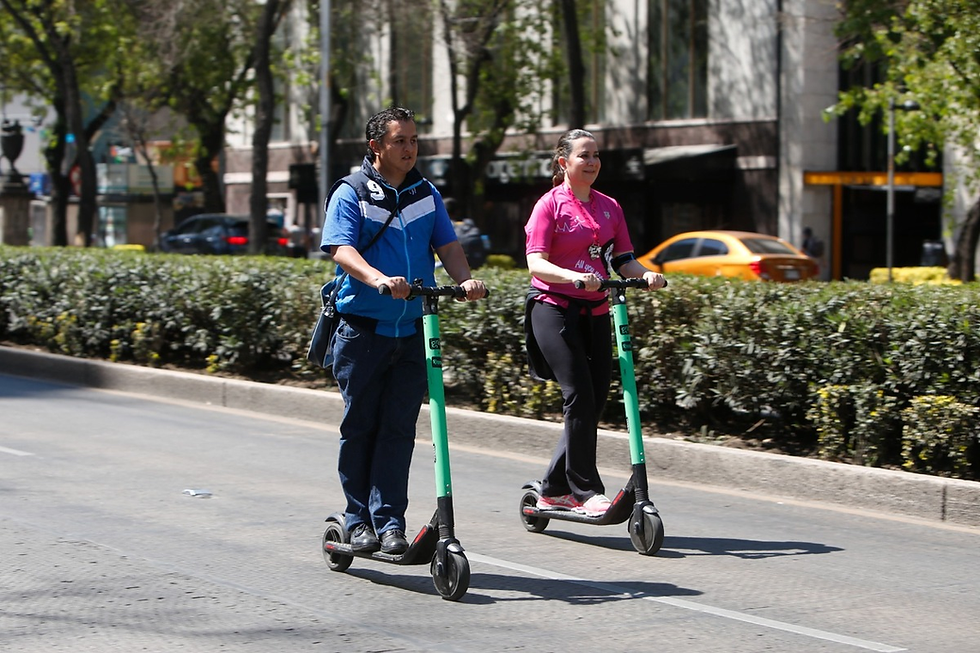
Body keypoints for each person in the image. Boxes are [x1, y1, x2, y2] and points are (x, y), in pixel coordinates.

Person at [320, 107, 486, 555]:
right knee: (362, 427)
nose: (410, 148)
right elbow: (340, 248)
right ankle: (358, 521)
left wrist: (463, 279)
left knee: (398, 429)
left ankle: (390, 521)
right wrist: (376, 278)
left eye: (414, 140)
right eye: (400, 141)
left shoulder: (424, 193)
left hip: (412, 328)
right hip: (362, 330)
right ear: (376, 147)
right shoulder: (351, 193)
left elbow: (447, 243)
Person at [524, 128, 666, 517]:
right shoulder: (549, 205)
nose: (592, 163)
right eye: (583, 156)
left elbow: (622, 260)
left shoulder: (610, 207)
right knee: (579, 395)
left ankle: (553, 488)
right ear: (564, 163)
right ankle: (585, 491)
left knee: (594, 399)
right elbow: (535, 262)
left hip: (598, 310)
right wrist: (571, 277)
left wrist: (647, 275)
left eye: (596, 156)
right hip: (552, 307)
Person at [445, 197, 488, 269]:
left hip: (456, 265)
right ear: (458, 211)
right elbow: (486, 244)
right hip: (476, 262)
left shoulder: (446, 226)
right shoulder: (470, 223)